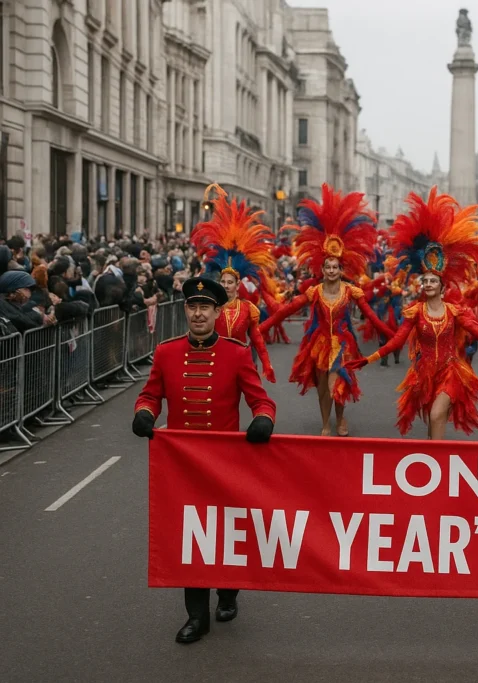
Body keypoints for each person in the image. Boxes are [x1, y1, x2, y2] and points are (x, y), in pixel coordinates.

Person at [131, 277, 276, 645]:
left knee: (225, 534)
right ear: (185, 311)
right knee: (189, 539)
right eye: (192, 307)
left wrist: (262, 420)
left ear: (217, 312)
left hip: (226, 464)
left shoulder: (237, 352)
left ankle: (228, 593)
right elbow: (150, 395)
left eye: (205, 308)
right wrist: (145, 413)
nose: (198, 314)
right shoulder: (166, 352)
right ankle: (197, 617)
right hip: (182, 465)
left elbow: (262, 401)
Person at [347, 188, 478, 438]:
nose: (427, 285)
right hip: (424, 374)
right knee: (432, 422)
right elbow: (397, 340)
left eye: (432, 282)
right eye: (425, 281)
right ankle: (434, 461)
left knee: (438, 414)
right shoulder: (415, 312)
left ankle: (437, 463)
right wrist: (370, 358)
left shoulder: (455, 311)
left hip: (451, 371)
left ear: (441, 286)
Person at [259, 184, 394, 437]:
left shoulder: (351, 292)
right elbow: (285, 312)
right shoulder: (315, 292)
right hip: (319, 343)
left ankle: (340, 418)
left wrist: (394, 336)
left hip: (343, 343)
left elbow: (373, 318)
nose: (331, 270)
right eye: (328, 267)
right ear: (322, 269)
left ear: (342, 270)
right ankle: (326, 423)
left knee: (338, 383)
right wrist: (259, 328)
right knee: (322, 388)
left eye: (335, 267)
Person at [190, 184, 278, 382]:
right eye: (224, 281)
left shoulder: (248, 309)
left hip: (240, 363)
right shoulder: (211, 308)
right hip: (216, 363)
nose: (226, 285)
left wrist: (266, 364)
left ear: (237, 285)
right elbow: (198, 334)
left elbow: (256, 339)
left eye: (230, 282)